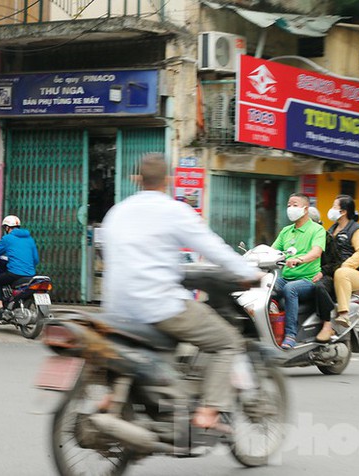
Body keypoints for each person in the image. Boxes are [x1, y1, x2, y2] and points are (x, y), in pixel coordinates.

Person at [101, 153, 260, 431]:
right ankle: (209, 410)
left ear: (137, 179)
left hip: (116, 308)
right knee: (228, 342)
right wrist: (248, 273)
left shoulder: (117, 212)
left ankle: (117, 396)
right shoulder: (174, 210)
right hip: (157, 305)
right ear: (168, 181)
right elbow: (213, 247)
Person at [271, 194, 326, 349]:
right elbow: (272, 251)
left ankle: (290, 335)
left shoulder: (317, 230)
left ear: (305, 209)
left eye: (294, 205)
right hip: (287, 277)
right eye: (289, 205)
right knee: (265, 286)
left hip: (308, 280)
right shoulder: (286, 231)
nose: (290, 208)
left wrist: (299, 259)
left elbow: (316, 252)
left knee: (291, 289)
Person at [317, 195, 359, 339]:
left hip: (356, 274)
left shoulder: (356, 229)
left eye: (334, 206)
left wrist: (345, 266)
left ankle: (343, 314)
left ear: (343, 211)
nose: (331, 210)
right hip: (335, 272)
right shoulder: (332, 229)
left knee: (342, 272)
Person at [0, 215, 39, 322]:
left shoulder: (7, 238)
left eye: (5, 228)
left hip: (15, 272)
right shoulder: (30, 239)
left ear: (7, 227)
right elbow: (36, 260)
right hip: (31, 274)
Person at [307, 207, 343, 343]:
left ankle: (327, 324)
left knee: (319, 287)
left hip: (325, 276)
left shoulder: (326, 237)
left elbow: (337, 262)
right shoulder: (298, 235)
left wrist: (322, 272)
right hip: (304, 274)